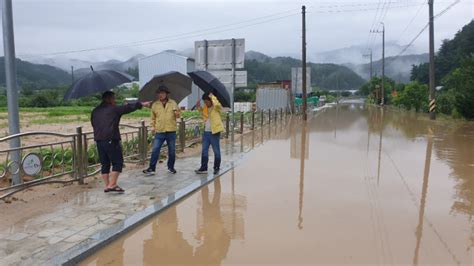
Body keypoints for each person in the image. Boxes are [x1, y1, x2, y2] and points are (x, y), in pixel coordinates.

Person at [91, 91, 151, 193]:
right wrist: (142, 104)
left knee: (104, 164)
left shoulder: (95, 110)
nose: (115, 100)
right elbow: (127, 108)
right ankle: (112, 184)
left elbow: (93, 123)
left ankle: (107, 185)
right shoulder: (113, 109)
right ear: (109, 99)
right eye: (114, 98)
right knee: (118, 162)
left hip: (99, 140)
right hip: (111, 139)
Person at [143, 85, 180, 175]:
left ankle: (171, 167)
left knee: (172, 151)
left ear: (166, 94)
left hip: (171, 130)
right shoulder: (155, 105)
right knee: (155, 149)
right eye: (159, 93)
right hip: (159, 131)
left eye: (162, 93)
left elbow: (178, 116)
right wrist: (153, 127)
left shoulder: (173, 103)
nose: (160, 95)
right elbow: (153, 118)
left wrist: (176, 113)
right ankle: (152, 168)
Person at [195, 93, 224, 175]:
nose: (206, 103)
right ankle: (204, 168)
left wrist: (213, 96)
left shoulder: (216, 107)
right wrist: (198, 107)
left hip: (214, 132)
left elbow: (218, 104)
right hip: (206, 132)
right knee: (204, 151)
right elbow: (203, 114)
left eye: (207, 101)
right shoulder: (205, 108)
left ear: (211, 100)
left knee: (216, 151)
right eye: (204, 102)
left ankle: (216, 167)